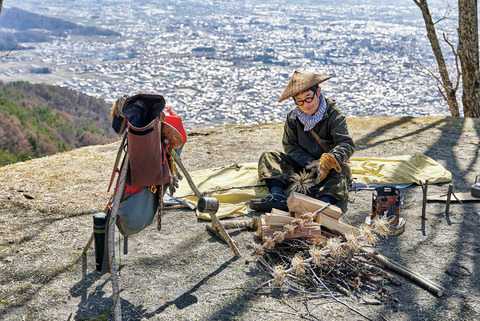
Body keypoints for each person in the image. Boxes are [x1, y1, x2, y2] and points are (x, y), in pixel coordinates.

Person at [249, 70, 355, 212]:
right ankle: (278, 197)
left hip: (328, 168)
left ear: (318, 91)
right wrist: (309, 163)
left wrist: (329, 160)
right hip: (304, 166)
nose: (306, 105)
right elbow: (290, 146)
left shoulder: (334, 115)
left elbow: (346, 143)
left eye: (309, 98)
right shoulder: (293, 117)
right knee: (270, 156)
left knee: (344, 170)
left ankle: (322, 203)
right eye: (299, 102)